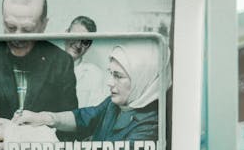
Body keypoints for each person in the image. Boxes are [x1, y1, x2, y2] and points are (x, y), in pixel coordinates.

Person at [14, 40, 168, 144]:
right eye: (111, 73)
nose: (109, 82)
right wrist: (44, 118)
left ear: (143, 79)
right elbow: (84, 117)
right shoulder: (115, 103)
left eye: (118, 76)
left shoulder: (151, 126)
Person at [65, 16, 105, 107]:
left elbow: (94, 114)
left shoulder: (95, 74)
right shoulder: (46, 66)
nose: (78, 45)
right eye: (75, 37)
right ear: (66, 34)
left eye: (85, 42)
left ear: (89, 45)